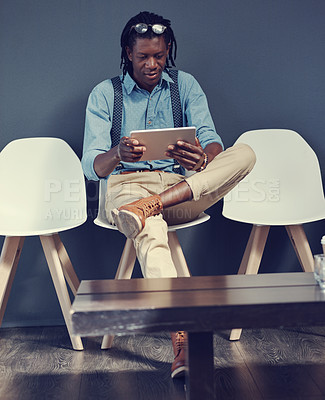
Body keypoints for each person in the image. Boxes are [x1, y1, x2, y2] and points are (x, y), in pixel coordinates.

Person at [82, 11, 256, 379]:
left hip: (179, 189)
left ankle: (153, 206)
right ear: (128, 53)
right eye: (144, 56)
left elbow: (211, 139)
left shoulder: (185, 85)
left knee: (245, 153)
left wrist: (203, 156)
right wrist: (118, 154)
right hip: (127, 187)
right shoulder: (105, 94)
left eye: (159, 56)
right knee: (148, 230)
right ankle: (183, 342)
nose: (152, 64)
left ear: (168, 50)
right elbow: (93, 167)